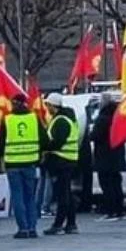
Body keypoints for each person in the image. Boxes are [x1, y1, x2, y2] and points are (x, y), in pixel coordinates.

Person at [0, 93, 42, 238]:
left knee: (17, 196)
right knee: (30, 197)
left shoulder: (7, 119)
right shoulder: (34, 118)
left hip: (13, 164)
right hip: (30, 162)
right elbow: (44, 139)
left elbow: (0, 143)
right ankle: (32, 228)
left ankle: (22, 229)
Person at [42, 93, 80, 235]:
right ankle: (71, 224)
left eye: (48, 105)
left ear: (53, 106)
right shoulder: (67, 119)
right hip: (68, 160)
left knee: (62, 195)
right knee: (67, 193)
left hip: (61, 161)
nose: (47, 108)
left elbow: (57, 142)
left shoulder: (61, 121)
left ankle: (58, 224)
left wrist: (45, 146)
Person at [90, 93, 126, 221]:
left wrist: (90, 134)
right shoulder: (118, 116)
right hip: (117, 156)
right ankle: (120, 211)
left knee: (106, 185)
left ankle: (111, 211)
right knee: (116, 184)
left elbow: (95, 135)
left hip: (105, 157)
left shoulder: (103, 118)